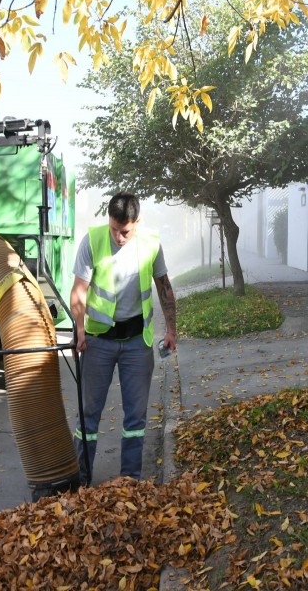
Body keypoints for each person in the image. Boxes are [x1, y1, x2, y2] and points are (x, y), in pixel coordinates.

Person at [70, 192, 177, 482]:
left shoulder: (151, 244)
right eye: (114, 229)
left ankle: (129, 482)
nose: (118, 236)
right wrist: (79, 329)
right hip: (98, 342)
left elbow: (164, 288)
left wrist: (170, 330)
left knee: (135, 419)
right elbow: (79, 291)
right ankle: (81, 479)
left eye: (125, 231)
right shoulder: (92, 240)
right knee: (88, 415)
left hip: (136, 345)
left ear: (137, 222)